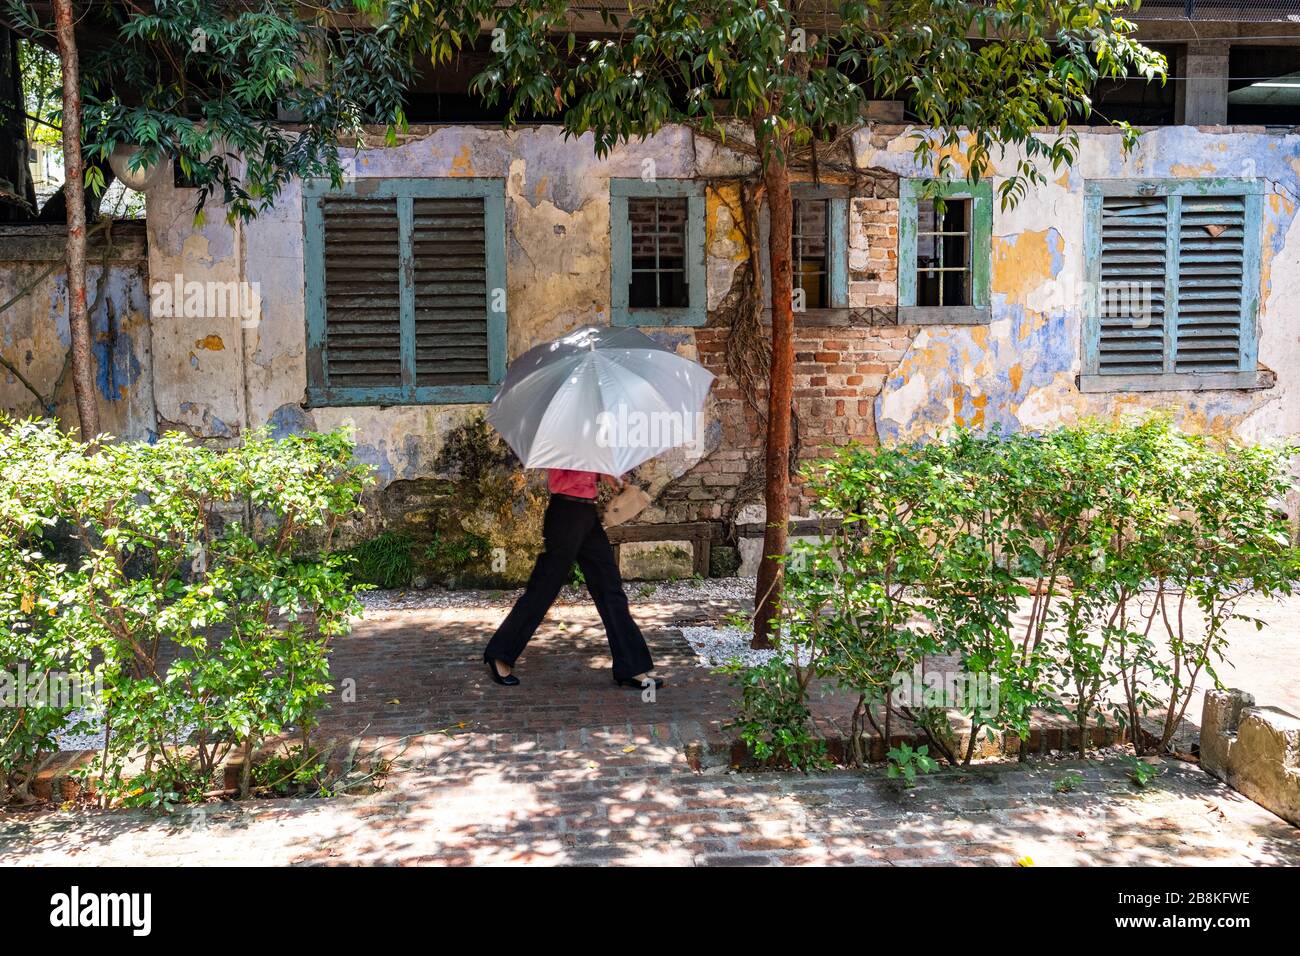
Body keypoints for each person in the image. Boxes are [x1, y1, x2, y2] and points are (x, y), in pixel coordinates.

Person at [482, 468, 663, 690]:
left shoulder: (587, 440)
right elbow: (557, 484)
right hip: (565, 515)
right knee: (543, 589)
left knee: (610, 588)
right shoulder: (561, 444)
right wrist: (591, 474)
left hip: (588, 516)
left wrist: (603, 476)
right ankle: (499, 653)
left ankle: (631, 667)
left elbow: (588, 477)